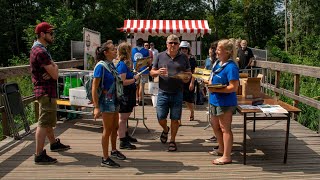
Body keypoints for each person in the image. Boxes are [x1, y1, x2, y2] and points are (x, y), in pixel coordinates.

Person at [30, 22, 70, 165]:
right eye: (50, 33)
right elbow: (54, 74)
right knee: (43, 122)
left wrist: (54, 67)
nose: (53, 36)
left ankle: (53, 143)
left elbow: (54, 69)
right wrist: (54, 68)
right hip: (45, 91)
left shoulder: (40, 49)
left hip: (45, 91)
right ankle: (39, 154)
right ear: (42, 34)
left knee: (47, 121)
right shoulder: (40, 52)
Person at [150, 34, 191, 152]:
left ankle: (172, 140)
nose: (173, 45)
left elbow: (188, 73)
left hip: (178, 92)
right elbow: (151, 72)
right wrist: (157, 71)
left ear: (179, 45)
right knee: (160, 117)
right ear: (166, 44)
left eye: (175, 43)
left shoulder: (184, 57)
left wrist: (186, 78)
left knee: (175, 118)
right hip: (163, 92)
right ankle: (165, 129)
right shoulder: (159, 56)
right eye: (171, 43)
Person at [92, 41, 126, 168]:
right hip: (106, 102)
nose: (115, 50)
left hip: (114, 100)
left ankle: (114, 150)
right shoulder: (100, 66)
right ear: (105, 53)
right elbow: (94, 88)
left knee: (115, 127)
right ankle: (105, 158)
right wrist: (96, 107)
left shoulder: (111, 64)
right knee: (107, 130)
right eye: (112, 49)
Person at [208, 39, 239, 165]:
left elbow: (233, 87)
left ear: (227, 52)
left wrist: (216, 88)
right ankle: (221, 149)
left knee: (225, 128)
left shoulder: (231, 67)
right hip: (214, 100)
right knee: (215, 125)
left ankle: (227, 156)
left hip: (225, 102)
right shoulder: (218, 63)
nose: (216, 51)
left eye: (219, 49)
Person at [116, 42, 140, 150]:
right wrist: (134, 79)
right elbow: (122, 81)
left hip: (129, 93)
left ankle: (125, 135)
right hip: (125, 94)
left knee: (125, 117)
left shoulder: (125, 64)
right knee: (122, 118)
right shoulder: (122, 65)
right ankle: (122, 140)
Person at [179, 41, 197, 125]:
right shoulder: (178, 57)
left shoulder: (192, 59)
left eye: (185, 48)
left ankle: (192, 112)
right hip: (179, 81)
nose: (184, 50)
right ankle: (178, 119)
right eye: (182, 48)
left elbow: (195, 71)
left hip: (189, 81)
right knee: (178, 100)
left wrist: (192, 83)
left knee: (189, 101)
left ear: (188, 49)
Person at [131, 38, 151, 106]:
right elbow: (148, 61)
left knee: (136, 85)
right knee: (142, 86)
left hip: (135, 69)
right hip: (144, 69)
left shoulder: (132, 50)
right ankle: (141, 100)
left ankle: (136, 100)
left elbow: (131, 60)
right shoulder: (146, 51)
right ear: (143, 43)